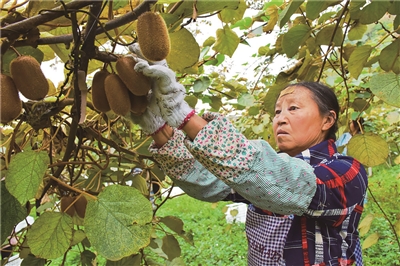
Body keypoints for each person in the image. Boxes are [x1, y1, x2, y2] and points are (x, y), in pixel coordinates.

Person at [126, 43, 368, 265]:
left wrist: (182, 113)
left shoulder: (347, 172)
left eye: (293, 108)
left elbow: (286, 183)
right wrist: (159, 128)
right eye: (277, 112)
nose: (281, 118)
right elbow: (209, 182)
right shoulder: (259, 174)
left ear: (328, 120)